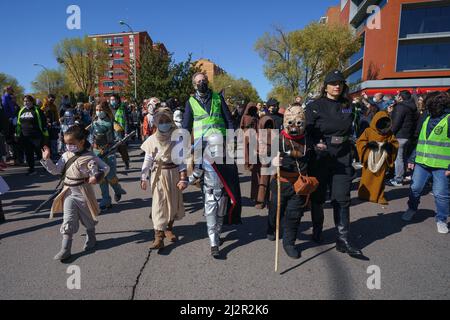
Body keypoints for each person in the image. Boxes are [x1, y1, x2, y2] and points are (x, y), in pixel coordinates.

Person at [183, 72, 241, 258]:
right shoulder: (190, 102)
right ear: (194, 85)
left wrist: (231, 140)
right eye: (198, 81)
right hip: (201, 146)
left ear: (208, 82)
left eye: (204, 81)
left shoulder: (217, 98)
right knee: (206, 184)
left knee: (225, 185)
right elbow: (185, 126)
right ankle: (213, 231)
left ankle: (220, 222)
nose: (202, 83)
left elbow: (229, 120)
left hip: (221, 145)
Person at [306, 70, 362, 257]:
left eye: (339, 83)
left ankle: (343, 239)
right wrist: (315, 143)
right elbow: (306, 131)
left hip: (343, 156)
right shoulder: (315, 106)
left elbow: (353, 127)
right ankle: (317, 230)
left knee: (342, 198)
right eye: (332, 83)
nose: (336, 86)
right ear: (326, 86)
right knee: (319, 197)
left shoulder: (348, 106)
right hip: (321, 157)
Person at [41, 125, 110, 261]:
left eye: (72, 143)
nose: (69, 146)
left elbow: (105, 168)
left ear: (82, 141)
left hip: (83, 191)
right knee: (68, 220)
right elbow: (56, 170)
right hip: (68, 192)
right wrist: (47, 159)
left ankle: (91, 237)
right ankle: (65, 249)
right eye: (67, 143)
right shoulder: (66, 156)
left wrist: (96, 176)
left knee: (88, 219)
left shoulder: (90, 156)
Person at [402, 93, 450, 234]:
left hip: (441, 166)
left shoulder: (448, 119)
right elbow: (421, 141)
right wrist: (412, 159)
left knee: (440, 194)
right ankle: (412, 208)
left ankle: (441, 219)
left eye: (427, 103)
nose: (424, 105)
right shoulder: (427, 118)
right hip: (422, 163)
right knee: (415, 188)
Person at [268, 105, 312, 259]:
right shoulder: (278, 139)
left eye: (298, 123)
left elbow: (313, 160)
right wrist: (272, 161)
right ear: (285, 123)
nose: (294, 127)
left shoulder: (308, 140)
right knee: (275, 209)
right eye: (291, 123)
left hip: (299, 184)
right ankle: (272, 228)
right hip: (281, 182)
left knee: (294, 214)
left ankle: (289, 243)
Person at [140, 108, 187, 250]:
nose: (164, 124)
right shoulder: (152, 140)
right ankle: (158, 237)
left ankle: (169, 229)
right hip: (159, 174)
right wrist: (144, 177)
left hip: (173, 174)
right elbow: (147, 160)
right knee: (159, 204)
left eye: (167, 121)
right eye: (161, 121)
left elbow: (181, 160)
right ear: (156, 123)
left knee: (172, 203)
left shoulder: (177, 138)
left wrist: (183, 177)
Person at [356, 111, 399, 205]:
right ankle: (364, 195)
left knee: (380, 178)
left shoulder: (389, 133)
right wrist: (368, 145)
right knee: (367, 177)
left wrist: (389, 147)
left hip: (382, 159)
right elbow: (360, 142)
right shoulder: (368, 131)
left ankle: (379, 196)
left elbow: (394, 144)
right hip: (369, 158)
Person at [91, 101, 127, 211]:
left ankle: (117, 189)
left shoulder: (112, 122)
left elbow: (118, 135)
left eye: (101, 110)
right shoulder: (93, 123)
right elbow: (90, 137)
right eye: (97, 110)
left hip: (109, 152)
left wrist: (119, 139)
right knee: (101, 178)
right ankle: (106, 199)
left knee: (111, 176)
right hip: (97, 153)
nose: (99, 112)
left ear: (106, 110)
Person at [388, 90, 418, 187]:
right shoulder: (412, 107)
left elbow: (396, 123)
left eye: (397, 95)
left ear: (400, 97)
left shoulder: (400, 107)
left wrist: (389, 133)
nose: (396, 97)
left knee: (398, 158)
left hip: (400, 135)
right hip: (408, 135)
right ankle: (402, 175)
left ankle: (398, 179)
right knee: (403, 157)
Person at [16, 95, 49, 175]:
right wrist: (17, 133)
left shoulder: (37, 110)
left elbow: (43, 121)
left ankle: (47, 166)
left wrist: (44, 132)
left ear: (32, 101)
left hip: (36, 135)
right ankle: (31, 169)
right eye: (24, 101)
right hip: (25, 136)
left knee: (39, 152)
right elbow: (18, 123)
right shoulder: (21, 111)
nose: (26, 102)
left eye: (27, 101)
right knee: (28, 153)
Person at [110, 95, 130, 170]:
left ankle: (126, 161)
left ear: (118, 100)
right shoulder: (110, 109)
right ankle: (112, 165)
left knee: (122, 148)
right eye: (111, 99)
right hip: (112, 131)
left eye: (114, 99)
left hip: (120, 131)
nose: (112, 101)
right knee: (111, 149)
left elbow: (126, 121)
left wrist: (126, 132)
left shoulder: (122, 108)